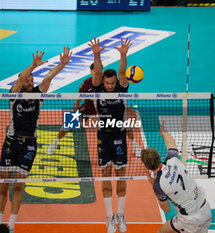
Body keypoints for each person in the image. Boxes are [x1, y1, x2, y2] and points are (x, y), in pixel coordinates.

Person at [0, 48, 72, 233]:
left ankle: (11, 227)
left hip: (29, 146)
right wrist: (33, 66)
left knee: (19, 186)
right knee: (4, 185)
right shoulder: (14, 96)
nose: (30, 82)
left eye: (32, 80)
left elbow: (48, 78)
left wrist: (62, 64)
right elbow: (20, 78)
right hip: (11, 144)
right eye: (27, 80)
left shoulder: (38, 95)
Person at [46, 63, 141, 157]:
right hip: (89, 108)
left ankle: (135, 145)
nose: (96, 72)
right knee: (67, 124)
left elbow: (119, 95)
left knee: (126, 125)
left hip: (108, 110)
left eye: (98, 70)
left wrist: (124, 108)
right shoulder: (86, 84)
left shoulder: (108, 82)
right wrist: (76, 112)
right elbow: (77, 101)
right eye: (94, 70)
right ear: (90, 71)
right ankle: (55, 142)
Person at [88, 37, 132, 233]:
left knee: (120, 177)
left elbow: (122, 72)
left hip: (119, 135)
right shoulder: (98, 89)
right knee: (105, 176)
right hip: (103, 137)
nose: (110, 86)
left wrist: (123, 55)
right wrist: (96, 54)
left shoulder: (121, 89)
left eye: (112, 83)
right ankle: (109, 216)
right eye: (107, 83)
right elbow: (97, 72)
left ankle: (121, 215)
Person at [141, 121, 212, 233]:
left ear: (146, 166)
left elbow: (166, 209)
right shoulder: (173, 159)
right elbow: (171, 142)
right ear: (159, 156)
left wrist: (155, 188)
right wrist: (163, 132)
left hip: (190, 219)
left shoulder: (158, 185)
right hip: (206, 209)